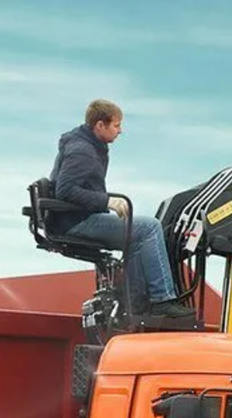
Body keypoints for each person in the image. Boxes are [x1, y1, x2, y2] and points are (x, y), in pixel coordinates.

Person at [46, 99, 193, 319]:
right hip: (78, 222)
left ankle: (135, 304)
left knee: (137, 237)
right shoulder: (82, 151)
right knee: (150, 228)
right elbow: (65, 191)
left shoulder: (86, 144)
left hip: (75, 218)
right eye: (116, 125)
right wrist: (107, 202)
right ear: (100, 125)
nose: (120, 130)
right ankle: (163, 300)